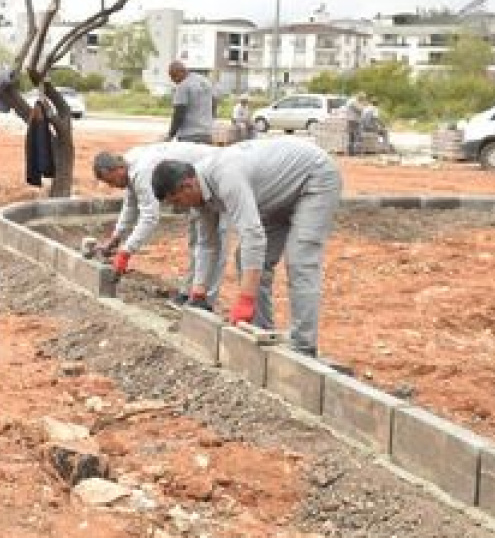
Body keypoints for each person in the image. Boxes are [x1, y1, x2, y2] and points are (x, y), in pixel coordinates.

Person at [151, 137, 343, 356]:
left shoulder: (226, 176)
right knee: (246, 258)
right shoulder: (198, 193)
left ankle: (303, 347)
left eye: (176, 201)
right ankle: (262, 335)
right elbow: (208, 245)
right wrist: (199, 293)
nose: (178, 208)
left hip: (313, 179)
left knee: (300, 261)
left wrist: (245, 299)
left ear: (187, 185)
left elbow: (253, 234)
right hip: (276, 195)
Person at [90, 143, 223, 309]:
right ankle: (189, 293)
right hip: (193, 184)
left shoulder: (142, 171)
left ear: (118, 168)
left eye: (111, 180)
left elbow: (149, 216)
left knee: (211, 241)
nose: (112, 186)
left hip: (215, 176)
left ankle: (205, 302)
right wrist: (116, 238)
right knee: (197, 241)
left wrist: (126, 252)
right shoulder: (129, 166)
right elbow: (131, 205)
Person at [166, 60, 217, 144]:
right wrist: (210, 121)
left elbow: (179, 113)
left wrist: (171, 135)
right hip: (206, 135)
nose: (173, 80)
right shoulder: (205, 81)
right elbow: (214, 101)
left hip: (189, 136)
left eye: (174, 76)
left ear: (181, 71)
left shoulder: (183, 85)